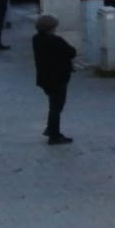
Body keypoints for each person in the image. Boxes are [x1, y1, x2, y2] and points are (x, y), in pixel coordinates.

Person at [32, 14, 76, 145]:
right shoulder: (56, 41)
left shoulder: (36, 39)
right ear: (51, 28)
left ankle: (51, 129)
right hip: (58, 78)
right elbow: (71, 52)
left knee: (54, 105)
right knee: (56, 107)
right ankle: (54, 134)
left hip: (45, 78)